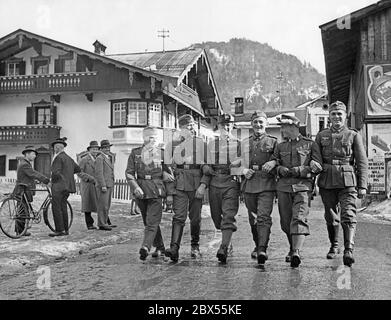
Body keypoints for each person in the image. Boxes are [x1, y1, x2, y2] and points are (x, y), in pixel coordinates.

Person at [315, 101, 368, 267]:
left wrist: (362, 185)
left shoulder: (353, 135)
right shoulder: (321, 136)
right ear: (329, 117)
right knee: (331, 216)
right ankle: (334, 245)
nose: (337, 117)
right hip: (326, 180)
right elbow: (316, 158)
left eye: (340, 114)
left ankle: (348, 249)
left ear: (345, 116)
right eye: (333, 114)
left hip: (347, 181)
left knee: (348, 214)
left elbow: (361, 162)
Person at [272, 114, 323, 268]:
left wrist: (300, 170)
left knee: (299, 218)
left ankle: (296, 252)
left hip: (302, 187)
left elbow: (317, 166)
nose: (281, 130)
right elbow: (273, 164)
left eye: (284, 127)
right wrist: (280, 169)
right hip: (283, 188)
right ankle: (292, 247)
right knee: (285, 222)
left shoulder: (310, 145)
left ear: (294, 127)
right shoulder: (280, 146)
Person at [164, 114, 209, 262]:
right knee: (178, 217)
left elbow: (208, 167)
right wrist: (169, 190)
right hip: (179, 184)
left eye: (191, 125)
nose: (189, 128)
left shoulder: (201, 143)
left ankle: (195, 246)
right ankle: (174, 248)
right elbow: (167, 169)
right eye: (185, 126)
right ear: (180, 128)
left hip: (196, 184)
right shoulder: (172, 145)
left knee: (195, 218)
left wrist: (203, 185)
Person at [125, 126, 175, 260]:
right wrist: (135, 187)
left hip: (156, 190)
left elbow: (170, 176)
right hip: (141, 190)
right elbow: (129, 173)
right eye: (149, 136)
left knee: (152, 221)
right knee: (148, 222)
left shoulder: (162, 153)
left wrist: (170, 194)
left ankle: (145, 247)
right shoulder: (135, 153)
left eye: (154, 137)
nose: (152, 139)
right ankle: (160, 247)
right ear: (143, 137)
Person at [240, 111, 278, 264]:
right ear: (251, 124)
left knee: (263, 217)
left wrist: (274, 162)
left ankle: (263, 248)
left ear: (266, 124)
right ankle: (257, 245)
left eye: (261, 122)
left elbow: (279, 158)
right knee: (253, 219)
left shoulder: (274, 142)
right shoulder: (244, 143)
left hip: (267, 184)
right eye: (255, 122)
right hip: (249, 184)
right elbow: (236, 161)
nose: (258, 125)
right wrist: (243, 170)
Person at [203, 114, 241, 263]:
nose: (227, 127)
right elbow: (204, 162)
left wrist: (238, 164)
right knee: (216, 216)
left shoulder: (238, 144)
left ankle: (223, 247)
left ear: (233, 126)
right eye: (224, 124)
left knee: (228, 215)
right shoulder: (211, 144)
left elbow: (244, 162)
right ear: (219, 126)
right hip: (214, 182)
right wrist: (205, 167)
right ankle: (228, 239)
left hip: (230, 182)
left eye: (229, 124)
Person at [13, 146, 50, 236]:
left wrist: (36, 181)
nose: (35, 156)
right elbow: (33, 173)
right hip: (23, 190)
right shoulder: (25, 164)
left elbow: (28, 176)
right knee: (22, 211)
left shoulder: (24, 163)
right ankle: (20, 231)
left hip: (24, 189)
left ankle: (20, 230)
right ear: (27, 154)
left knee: (23, 210)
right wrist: (45, 180)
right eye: (33, 154)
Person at [50, 137, 81, 237]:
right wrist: (68, 174)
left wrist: (52, 181)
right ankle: (66, 230)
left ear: (57, 148)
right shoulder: (69, 158)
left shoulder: (58, 158)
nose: (54, 149)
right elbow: (78, 169)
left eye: (55, 148)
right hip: (67, 187)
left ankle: (59, 230)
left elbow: (55, 173)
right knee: (63, 207)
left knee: (56, 208)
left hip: (58, 186)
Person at [78, 141, 100, 230]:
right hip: (87, 184)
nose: (95, 151)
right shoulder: (84, 160)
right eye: (93, 149)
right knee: (87, 204)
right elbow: (79, 172)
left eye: (96, 149)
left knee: (99, 203)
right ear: (89, 150)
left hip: (96, 185)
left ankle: (104, 221)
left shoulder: (98, 159)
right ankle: (89, 224)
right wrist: (89, 178)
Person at [95, 139, 115, 231]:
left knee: (107, 205)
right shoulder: (100, 158)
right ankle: (102, 223)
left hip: (109, 184)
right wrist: (102, 185)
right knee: (103, 205)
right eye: (105, 148)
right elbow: (99, 173)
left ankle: (105, 222)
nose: (107, 149)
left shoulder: (108, 157)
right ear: (101, 149)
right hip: (104, 185)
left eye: (108, 147)